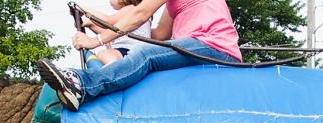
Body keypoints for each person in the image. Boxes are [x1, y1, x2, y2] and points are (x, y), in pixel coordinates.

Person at [38, 0, 243, 111]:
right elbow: (157, 36)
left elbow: (140, 15)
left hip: (212, 45)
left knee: (144, 54)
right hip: (195, 47)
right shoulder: (173, 6)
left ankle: (84, 85)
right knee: (145, 52)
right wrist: (97, 27)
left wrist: (95, 42)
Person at [91, 0, 154, 66]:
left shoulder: (132, 8)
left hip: (130, 49)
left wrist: (83, 9)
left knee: (104, 53)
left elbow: (106, 21)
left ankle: (115, 68)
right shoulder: (133, 12)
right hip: (133, 51)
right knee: (108, 52)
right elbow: (106, 32)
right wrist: (89, 23)